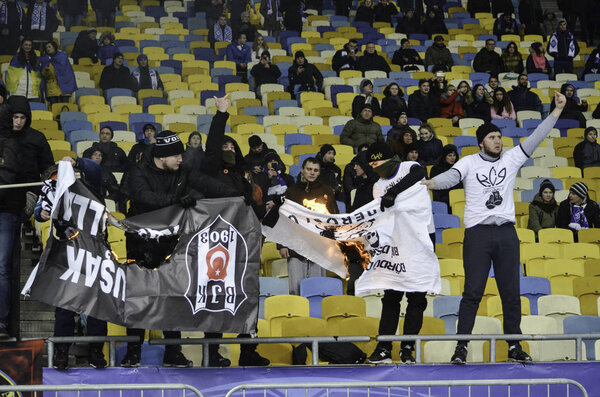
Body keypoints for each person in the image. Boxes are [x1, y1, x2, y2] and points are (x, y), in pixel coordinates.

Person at [422, 90, 568, 365]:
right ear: (481, 143)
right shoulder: (468, 163)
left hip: (506, 234)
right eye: (492, 137)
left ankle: (514, 345)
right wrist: (429, 183)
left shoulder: (511, 159)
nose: (498, 141)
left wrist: (557, 111)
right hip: (478, 234)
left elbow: (536, 137)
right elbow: (449, 178)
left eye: (499, 137)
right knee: (473, 292)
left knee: (511, 293)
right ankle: (461, 347)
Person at [199, 94, 270, 367]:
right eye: (223, 145)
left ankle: (248, 352)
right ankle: (213, 353)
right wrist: (221, 115)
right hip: (215, 246)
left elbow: (254, 211)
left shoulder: (244, 177)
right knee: (213, 297)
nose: (227, 148)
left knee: (248, 296)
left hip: (242, 247)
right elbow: (213, 146)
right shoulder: (209, 170)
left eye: (232, 145)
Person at [35, 157, 108, 370]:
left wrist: (77, 162)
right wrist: (40, 212)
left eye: (61, 176)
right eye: (54, 179)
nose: (58, 181)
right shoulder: (51, 191)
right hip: (67, 254)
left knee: (96, 305)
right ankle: (62, 353)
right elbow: (38, 210)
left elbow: (94, 170)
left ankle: (96, 352)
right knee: (64, 306)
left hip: (94, 252)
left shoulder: (89, 186)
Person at [364, 141, 430, 364]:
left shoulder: (408, 167)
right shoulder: (377, 186)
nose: (376, 165)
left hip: (421, 238)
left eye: (378, 161)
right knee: (391, 297)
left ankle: (407, 347)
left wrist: (394, 191)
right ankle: (384, 347)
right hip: (395, 241)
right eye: (372, 163)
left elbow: (420, 172)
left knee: (417, 298)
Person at [1, 96, 53, 339]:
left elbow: (49, 171)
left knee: (5, 266)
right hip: (7, 205)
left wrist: (34, 196)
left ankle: (4, 322)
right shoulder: (3, 139)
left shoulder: (36, 139)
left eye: (22, 117)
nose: (18, 122)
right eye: (14, 117)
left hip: (16, 207)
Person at [280, 157, 339, 294]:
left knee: (318, 288)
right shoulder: (292, 192)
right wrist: (282, 245)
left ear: (319, 173)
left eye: (315, 170)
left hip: (319, 245)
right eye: (309, 169)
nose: (312, 173)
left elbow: (333, 218)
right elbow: (284, 220)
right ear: (302, 170)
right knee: (295, 288)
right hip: (295, 245)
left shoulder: (327, 191)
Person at [40, 40, 77, 105]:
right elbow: (45, 75)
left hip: (65, 86)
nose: (48, 49)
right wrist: (46, 70)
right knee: (54, 109)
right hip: (52, 87)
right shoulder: (45, 60)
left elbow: (66, 71)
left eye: (49, 47)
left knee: (65, 108)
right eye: (46, 48)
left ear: (54, 47)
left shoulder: (62, 56)